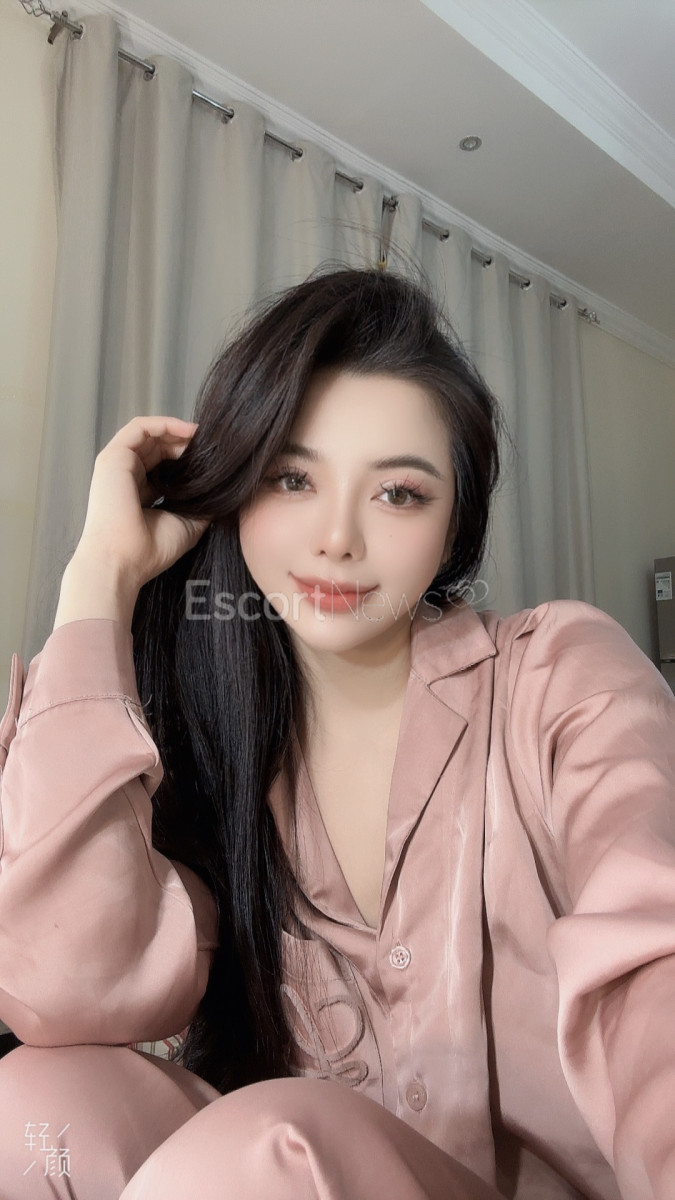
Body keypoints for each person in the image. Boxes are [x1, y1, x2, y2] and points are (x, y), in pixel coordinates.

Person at [0, 266, 673, 1200]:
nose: (336, 539)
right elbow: (68, 993)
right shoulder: (210, 740)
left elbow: (652, 959)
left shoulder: (557, 673)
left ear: (454, 526)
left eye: (398, 493)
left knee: (271, 1143)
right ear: (235, 489)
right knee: (33, 1106)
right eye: (291, 478)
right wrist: (100, 579)